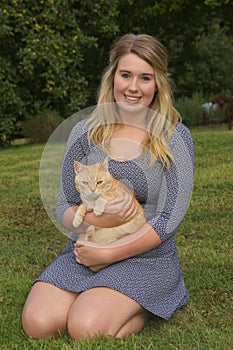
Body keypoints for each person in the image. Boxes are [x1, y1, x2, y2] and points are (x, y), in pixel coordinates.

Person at [22, 33, 194, 340]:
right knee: (38, 323)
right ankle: (101, 297)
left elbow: (167, 220)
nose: (133, 87)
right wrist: (98, 225)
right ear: (112, 76)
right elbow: (65, 206)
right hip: (88, 246)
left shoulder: (175, 137)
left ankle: (147, 303)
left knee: (85, 327)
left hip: (146, 255)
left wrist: (112, 253)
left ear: (158, 84)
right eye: (125, 75)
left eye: (145, 78)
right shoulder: (84, 132)